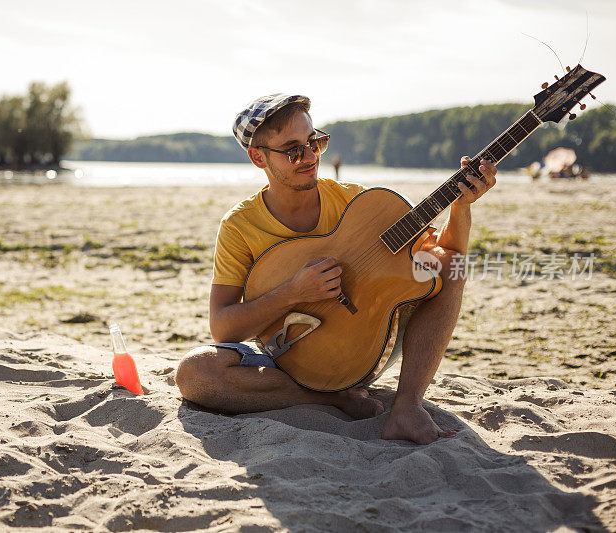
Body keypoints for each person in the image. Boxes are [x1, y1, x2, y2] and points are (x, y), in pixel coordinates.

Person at [175, 94, 497, 444]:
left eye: (315, 143)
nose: (311, 157)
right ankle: (329, 399)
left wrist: (461, 207)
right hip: (283, 364)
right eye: (294, 150)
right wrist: (294, 293)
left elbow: (447, 258)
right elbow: (222, 328)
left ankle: (406, 406)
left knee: (451, 268)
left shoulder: (354, 202)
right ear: (258, 157)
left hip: (364, 350)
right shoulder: (240, 225)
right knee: (194, 373)